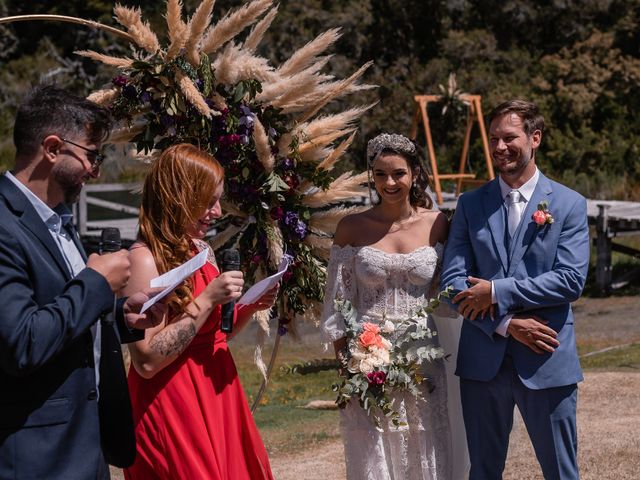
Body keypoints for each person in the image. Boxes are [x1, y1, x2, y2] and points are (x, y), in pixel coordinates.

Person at [0, 85, 162, 479]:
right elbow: (21, 342)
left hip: (85, 446)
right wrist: (95, 283)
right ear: (53, 148)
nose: (95, 169)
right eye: (91, 155)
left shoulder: (57, 218)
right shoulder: (4, 225)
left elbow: (61, 310)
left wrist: (121, 315)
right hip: (38, 456)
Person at [441, 100, 589, 480]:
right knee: (484, 472)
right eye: (493, 138)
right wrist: (505, 324)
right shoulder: (470, 204)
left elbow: (570, 279)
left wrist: (496, 292)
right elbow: (452, 284)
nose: (499, 147)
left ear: (534, 138)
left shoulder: (569, 204)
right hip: (482, 363)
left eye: (509, 137)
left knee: (561, 472)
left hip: (546, 358)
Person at [122, 143, 276, 480]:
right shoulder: (144, 260)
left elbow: (213, 335)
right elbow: (147, 361)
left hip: (217, 390)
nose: (218, 212)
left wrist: (248, 307)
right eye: (208, 202)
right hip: (173, 401)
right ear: (179, 197)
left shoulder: (203, 250)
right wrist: (207, 300)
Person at [322, 133, 468, 480]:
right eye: (380, 174)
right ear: (371, 176)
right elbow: (337, 304)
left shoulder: (437, 223)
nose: (389, 182)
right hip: (366, 357)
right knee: (374, 449)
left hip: (424, 358)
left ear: (414, 173)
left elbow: (450, 289)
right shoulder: (350, 228)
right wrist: (346, 367)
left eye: (398, 173)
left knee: (426, 442)